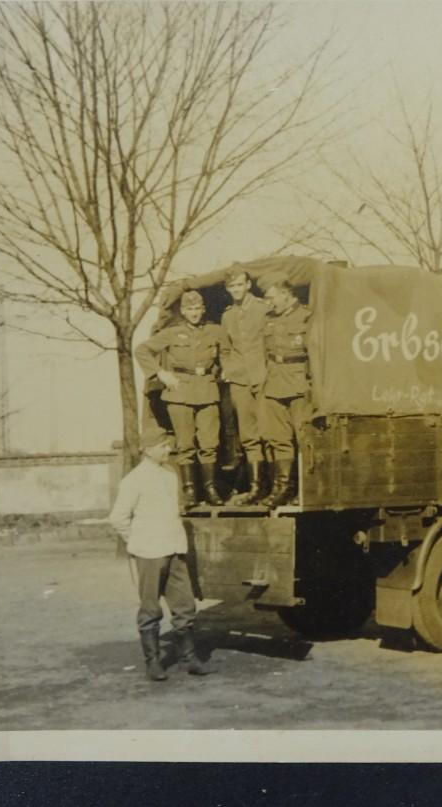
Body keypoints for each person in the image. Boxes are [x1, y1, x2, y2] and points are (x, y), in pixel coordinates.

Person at [107, 426, 214, 680]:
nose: (169, 449)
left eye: (169, 445)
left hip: (175, 549)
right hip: (149, 552)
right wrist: (137, 542)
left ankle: (190, 658)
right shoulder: (134, 480)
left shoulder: (170, 474)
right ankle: (153, 662)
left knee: (185, 605)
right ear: (148, 449)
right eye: (163, 446)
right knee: (150, 608)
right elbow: (118, 518)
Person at [135, 289, 227, 507]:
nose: (194, 313)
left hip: (207, 389)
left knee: (209, 442)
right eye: (189, 309)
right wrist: (160, 373)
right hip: (179, 392)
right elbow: (142, 350)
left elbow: (229, 353)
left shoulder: (216, 331)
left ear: (203, 309)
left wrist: (225, 370)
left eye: (197, 309)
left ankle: (210, 487)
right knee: (185, 444)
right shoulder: (172, 333)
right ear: (183, 311)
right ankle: (190, 490)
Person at [219, 265, 270, 505]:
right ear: (228, 289)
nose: (236, 290)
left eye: (240, 284)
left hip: (264, 377)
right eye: (232, 286)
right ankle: (256, 487)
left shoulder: (263, 309)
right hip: (240, 380)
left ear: (248, 285)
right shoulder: (227, 315)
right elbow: (226, 348)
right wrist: (229, 369)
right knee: (248, 436)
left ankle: (276, 487)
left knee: (270, 432)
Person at [258, 279, 310, 508]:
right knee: (279, 439)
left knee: (304, 439)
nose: (269, 303)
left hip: (300, 383)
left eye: (271, 297)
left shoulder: (308, 317)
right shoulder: (268, 320)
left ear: (286, 294)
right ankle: (283, 487)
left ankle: (305, 489)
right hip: (275, 382)